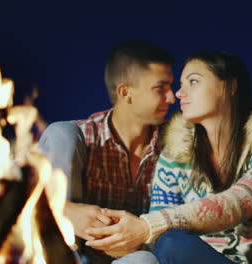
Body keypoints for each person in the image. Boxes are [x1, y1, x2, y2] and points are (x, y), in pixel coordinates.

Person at [84, 50, 252, 264]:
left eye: (193, 81)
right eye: (181, 84)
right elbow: (156, 239)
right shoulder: (174, 157)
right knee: (154, 252)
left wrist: (146, 226)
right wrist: (116, 237)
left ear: (230, 86)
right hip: (195, 258)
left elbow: (240, 201)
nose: (179, 93)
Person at [38, 40, 176, 263]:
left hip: (134, 254)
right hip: (68, 252)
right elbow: (19, 201)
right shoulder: (83, 138)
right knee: (61, 133)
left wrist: (135, 241)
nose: (172, 97)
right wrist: (62, 209)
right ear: (125, 92)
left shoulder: (175, 144)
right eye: (161, 88)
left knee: (144, 261)